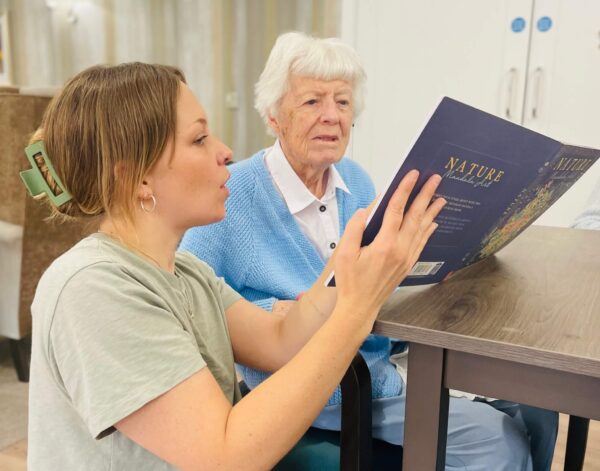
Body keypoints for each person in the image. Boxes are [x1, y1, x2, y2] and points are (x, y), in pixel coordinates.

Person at [24, 62, 445, 470]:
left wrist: (351, 258)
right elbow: (226, 457)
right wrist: (357, 308)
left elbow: (282, 340)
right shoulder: (94, 288)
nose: (225, 152)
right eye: (199, 139)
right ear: (137, 179)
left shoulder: (187, 273)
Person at [180, 32, 558, 470]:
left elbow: (377, 279)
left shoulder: (355, 181)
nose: (332, 116)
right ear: (274, 116)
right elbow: (192, 298)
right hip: (324, 388)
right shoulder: (235, 195)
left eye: (342, 102)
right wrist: (278, 311)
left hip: (385, 362)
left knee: (536, 405)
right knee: (498, 442)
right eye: (312, 102)